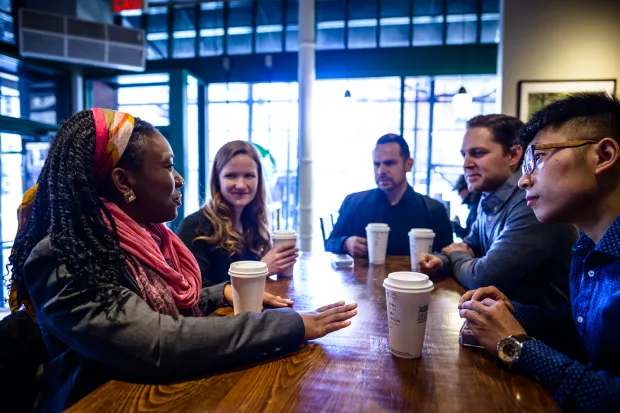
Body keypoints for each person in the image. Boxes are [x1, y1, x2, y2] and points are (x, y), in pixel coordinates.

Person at [7, 109, 357, 411]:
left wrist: (218, 293)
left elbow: (155, 301)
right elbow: (156, 341)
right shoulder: (64, 255)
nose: (179, 179)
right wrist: (291, 325)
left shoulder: (141, 237)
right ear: (123, 181)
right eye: (168, 166)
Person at [458, 93, 620, 412]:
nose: (524, 179)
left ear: (603, 155)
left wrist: (517, 346)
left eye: (538, 158)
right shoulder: (587, 247)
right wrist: (515, 312)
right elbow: (585, 334)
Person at [418, 114, 576, 309]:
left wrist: (456, 256)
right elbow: (470, 246)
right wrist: (441, 261)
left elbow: (484, 277)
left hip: (542, 332)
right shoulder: (490, 196)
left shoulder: (531, 202)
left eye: (477, 153)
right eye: (464, 155)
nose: (466, 164)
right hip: (503, 319)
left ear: (513, 155)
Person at [177, 141, 298, 286]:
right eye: (231, 176)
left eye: (249, 175)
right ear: (217, 180)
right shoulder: (193, 227)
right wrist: (261, 269)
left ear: (259, 180)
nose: (240, 185)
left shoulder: (253, 221)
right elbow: (198, 294)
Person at [325, 133, 453, 258]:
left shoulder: (433, 210)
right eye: (377, 164)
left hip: (414, 279)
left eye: (389, 163)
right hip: (361, 279)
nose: (381, 171)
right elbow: (330, 243)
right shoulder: (353, 203)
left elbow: (448, 256)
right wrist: (345, 243)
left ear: (408, 164)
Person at [451, 174, 481, 239]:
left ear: (468, 187)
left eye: (460, 190)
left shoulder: (476, 208)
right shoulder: (475, 207)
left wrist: (455, 226)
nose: (459, 194)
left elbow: (472, 239)